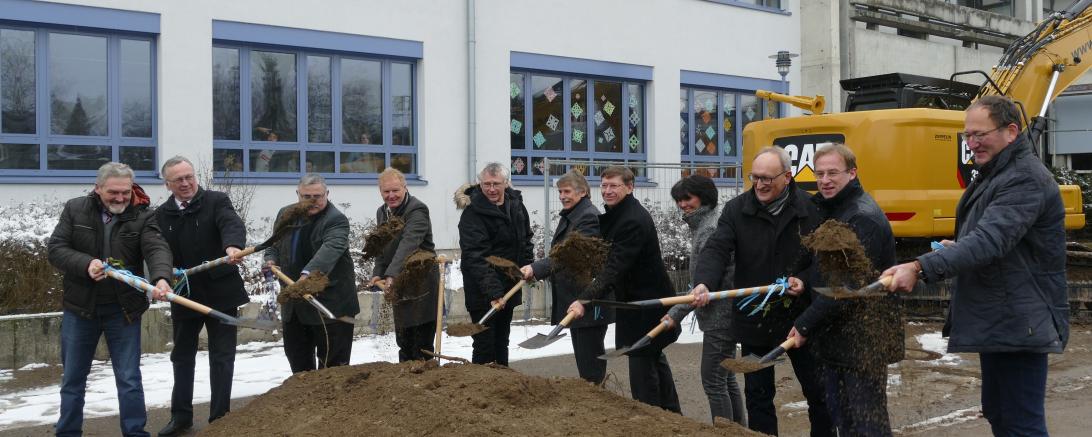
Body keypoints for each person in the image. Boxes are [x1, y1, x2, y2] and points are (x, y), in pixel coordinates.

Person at [884, 95, 1068, 437]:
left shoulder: (1024, 178)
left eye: (980, 134)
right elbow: (993, 237)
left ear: (1011, 131)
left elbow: (989, 241)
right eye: (967, 135)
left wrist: (920, 267)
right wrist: (956, 245)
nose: (971, 143)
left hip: (1019, 319)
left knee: (1021, 424)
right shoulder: (996, 173)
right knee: (1000, 414)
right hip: (1002, 316)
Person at [690, 147, 833, 436]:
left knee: (819, 393)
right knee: (758, 396)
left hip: (802, 317)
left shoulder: (812, 209)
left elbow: (825, 261)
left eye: (768, 178)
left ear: (787, 177)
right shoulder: (737, 209)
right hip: (756, 317)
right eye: (755, 178)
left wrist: (804, 280)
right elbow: (717, 248)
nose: (760, 184)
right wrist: (704, 281)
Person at [47, 162, 173, 437]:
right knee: (73, 380)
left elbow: (156, 248)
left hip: (124, 310)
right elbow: (56, 249)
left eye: (125, 193)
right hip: (80, 309)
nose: (120, 199)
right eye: (113, 192)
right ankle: (67, 433)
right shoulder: (75, 208)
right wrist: (86, 264)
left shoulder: (142, 215)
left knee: (129, 379)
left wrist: (160, 278)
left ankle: (135, 433)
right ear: (98, 188)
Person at [789, 144, 902, 436]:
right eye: (820, 173)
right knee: (846, 421)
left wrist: (804, 324)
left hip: (863, 338)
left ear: (852, 173)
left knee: (867, 423)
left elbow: (848, 286)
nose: (824, 180)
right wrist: (804, 278)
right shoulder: (835, 209)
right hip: (838, 336)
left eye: (833, 173)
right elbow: (827, 266)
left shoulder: (860, 217)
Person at [574, 166, 682, 412]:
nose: (607, 191)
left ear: (630, 187)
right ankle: (673, 415)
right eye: (603, 186)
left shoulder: (632, 219)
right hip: (635, 301)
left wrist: (585, 299)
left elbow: (615, 268)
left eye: (614, 186)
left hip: (646, 303)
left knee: (642, 363)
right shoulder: (618, 213)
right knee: (653, 356)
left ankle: (649, 417)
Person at [155, 156, 248, 436]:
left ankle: (220, 417)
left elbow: (231, 224)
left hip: (222, 291)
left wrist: (232, 246)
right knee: (182, 356)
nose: (186, 183)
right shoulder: (161, 215)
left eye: (189, 177)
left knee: (222, 357)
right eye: (178, 180)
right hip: (185, 293)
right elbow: (156, 250)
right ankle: (180, 416)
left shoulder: (216, 201)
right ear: (168, 184)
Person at [662, 175, 745, 425]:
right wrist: (677, 311)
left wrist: (676, 313)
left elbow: (706, 284)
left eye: (688, 198)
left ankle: (726, 432)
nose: (683, 204)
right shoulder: (705, 223)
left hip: (721, 315)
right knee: (725, 377)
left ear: (704, 198)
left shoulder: (710, 227)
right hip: (720, 314)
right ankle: (739, 430)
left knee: (712, 380)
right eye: (679, 200)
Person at [519, 170, 612, 384]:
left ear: (583, 192)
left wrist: (537, 268)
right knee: (585, 357)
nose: (562, 196)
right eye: (560, 191)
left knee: (590, 359)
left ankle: (595, 399)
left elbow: (570, 255)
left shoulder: (588, 216)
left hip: (587, 299)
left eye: (567, 191)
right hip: (575, 297)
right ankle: (593, 394)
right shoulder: (573, 214)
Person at [265, 174, 359, 373]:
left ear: (327, 194)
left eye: (317, 196)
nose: (312, 201)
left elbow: (331, 249)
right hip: (295, 309)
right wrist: (270, 259)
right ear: (298, 194)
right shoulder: (286, 213)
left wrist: (307, 276)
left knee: (332, 372)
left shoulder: (336, 220)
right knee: (299, 369)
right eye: (306, 196)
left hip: (330, 307)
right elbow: (274, 243)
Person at [457, 162, 533, 366]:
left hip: (509, 287)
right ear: (479, 184)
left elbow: (525, 239)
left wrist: (527, 266)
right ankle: (481, 392)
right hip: (483, 292)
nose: (491, 189)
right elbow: (476, 257)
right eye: (486, 184)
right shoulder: (473, 214)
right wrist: (493, 292)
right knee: (484, 344)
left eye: (496, 184)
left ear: (506, 183)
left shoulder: (516, 205)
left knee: (502, 340)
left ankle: (504, 389)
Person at [371, 168, 440, 362]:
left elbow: (408, 243)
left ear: (405, 187)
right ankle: (406, 387)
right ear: (380, 191)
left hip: (422, 282)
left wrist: (391, 274)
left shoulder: (417, 209)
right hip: (399, 284)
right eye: (386, 192)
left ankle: (425, 386)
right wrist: (379, 272)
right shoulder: (382, 212)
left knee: (422, 344)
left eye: (395, 190)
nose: (391, 196)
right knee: (404, 341)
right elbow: (381, 244)